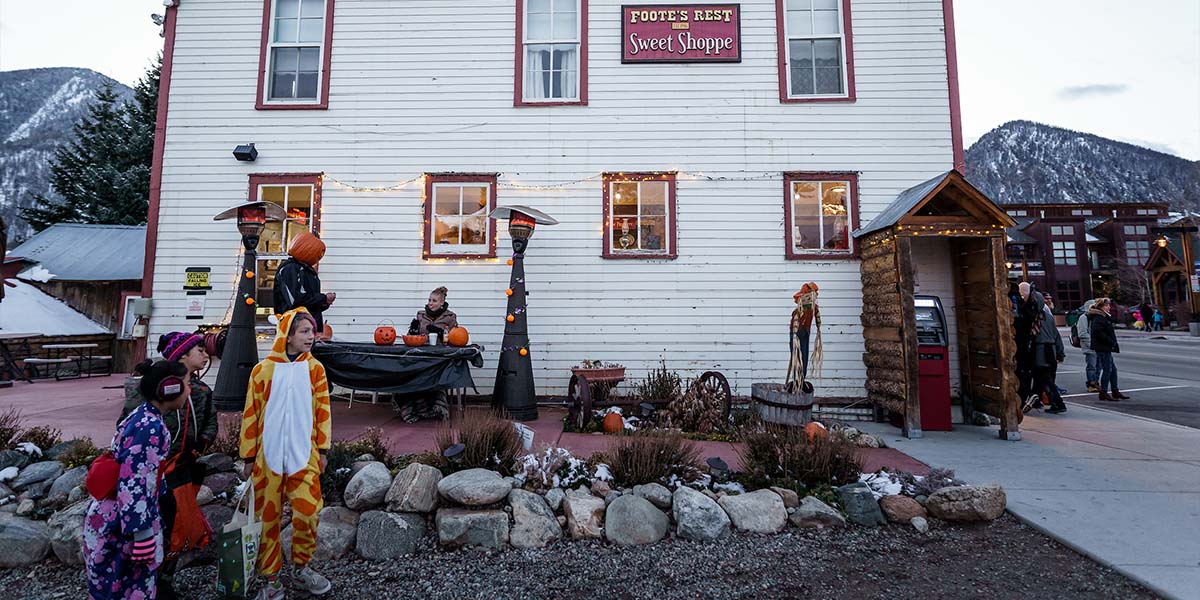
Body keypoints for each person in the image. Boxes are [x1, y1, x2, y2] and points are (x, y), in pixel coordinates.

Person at [240, 308, 333, 599]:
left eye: (312, 331)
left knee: (308, 512)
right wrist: (248, 455)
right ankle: (271, 580)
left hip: (303, 456)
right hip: (267, 459)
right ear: (287, 335)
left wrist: (323, 448)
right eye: (304, 332)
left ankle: (302, 567)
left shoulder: (316, 369)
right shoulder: (262, 370)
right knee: (267, 519)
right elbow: (250, 415)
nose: (311, 337)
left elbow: (323, 412)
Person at [117, 332, 219, 599]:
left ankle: (163, 577)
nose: (205, 353)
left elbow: (210, 419)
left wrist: (202, 443)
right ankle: (149, 580)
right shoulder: (148, 414)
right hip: (159, 472)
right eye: (198, 349)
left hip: (182, 467)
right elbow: (133, 476)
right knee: (161, 523)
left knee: (179, 523)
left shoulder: (202, 391)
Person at [84, 360, 190, 600]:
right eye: (187, 383)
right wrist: (141, 531)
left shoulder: (145, 416)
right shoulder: (149, 427)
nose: (190, 389)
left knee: (117, 585)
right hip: (123, 523)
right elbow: (135, 480)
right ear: (170, 388)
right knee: (125, 586)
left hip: (119, 515)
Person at [399, 286, 459, 423]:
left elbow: (455, 338)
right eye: (429, 300)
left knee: (434, 372)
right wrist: (413, 330)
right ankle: (412, 407)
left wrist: (440, 332)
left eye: (434, 300)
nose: (430, 303)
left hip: (439, 356)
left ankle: (435, 406)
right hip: (422, 354)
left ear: (442, 303)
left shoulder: (450, 317)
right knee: (410, 370)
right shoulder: (421, 315)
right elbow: (412, 337)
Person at [273, 231, 335, 333]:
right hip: (294, 328)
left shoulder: (308, 271)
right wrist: (323, 298)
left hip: (308, 328)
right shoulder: (290, 268)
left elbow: (308, 304)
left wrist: (323, 303)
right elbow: (295, 300)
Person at [1089, 298, 1129, 402]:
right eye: (1107, 305)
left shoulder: (1104, 317)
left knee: (1113, 370)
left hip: (1106, 347)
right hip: (1102, 347)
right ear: (1101, 307)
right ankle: (1103, 392)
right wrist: (1110, 341)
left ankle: (1115, 390)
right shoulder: (1098, 318)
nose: (1109, 307)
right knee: (1107, 370)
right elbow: (1097, 332)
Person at [1013, 282, 1045, 410]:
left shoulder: (1026, 309)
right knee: (1030, 373)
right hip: (1030, 345)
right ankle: (1030, 397)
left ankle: (1026, 397)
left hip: (1025, 344)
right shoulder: (1037, 311)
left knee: (1025, 372)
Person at [1033, 298, 1068, 414]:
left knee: (1045, 378)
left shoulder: (1035, 317)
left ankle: (1057, 403)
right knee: (1042, 378)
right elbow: (1056, 336)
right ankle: (1036, 400)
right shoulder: (1048, 317)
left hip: (1040, 350)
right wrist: (1060, 352)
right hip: (1050, 350)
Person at [1075, 299, 1100, 392]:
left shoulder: (1094, 317)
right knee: (1092, 366)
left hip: (1097, 346)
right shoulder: (1084, 317)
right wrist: (1091, 344)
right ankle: (1091, 383)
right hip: (1089, 347)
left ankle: (1096, 382)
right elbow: (1082, 333)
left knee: (1098, 366)